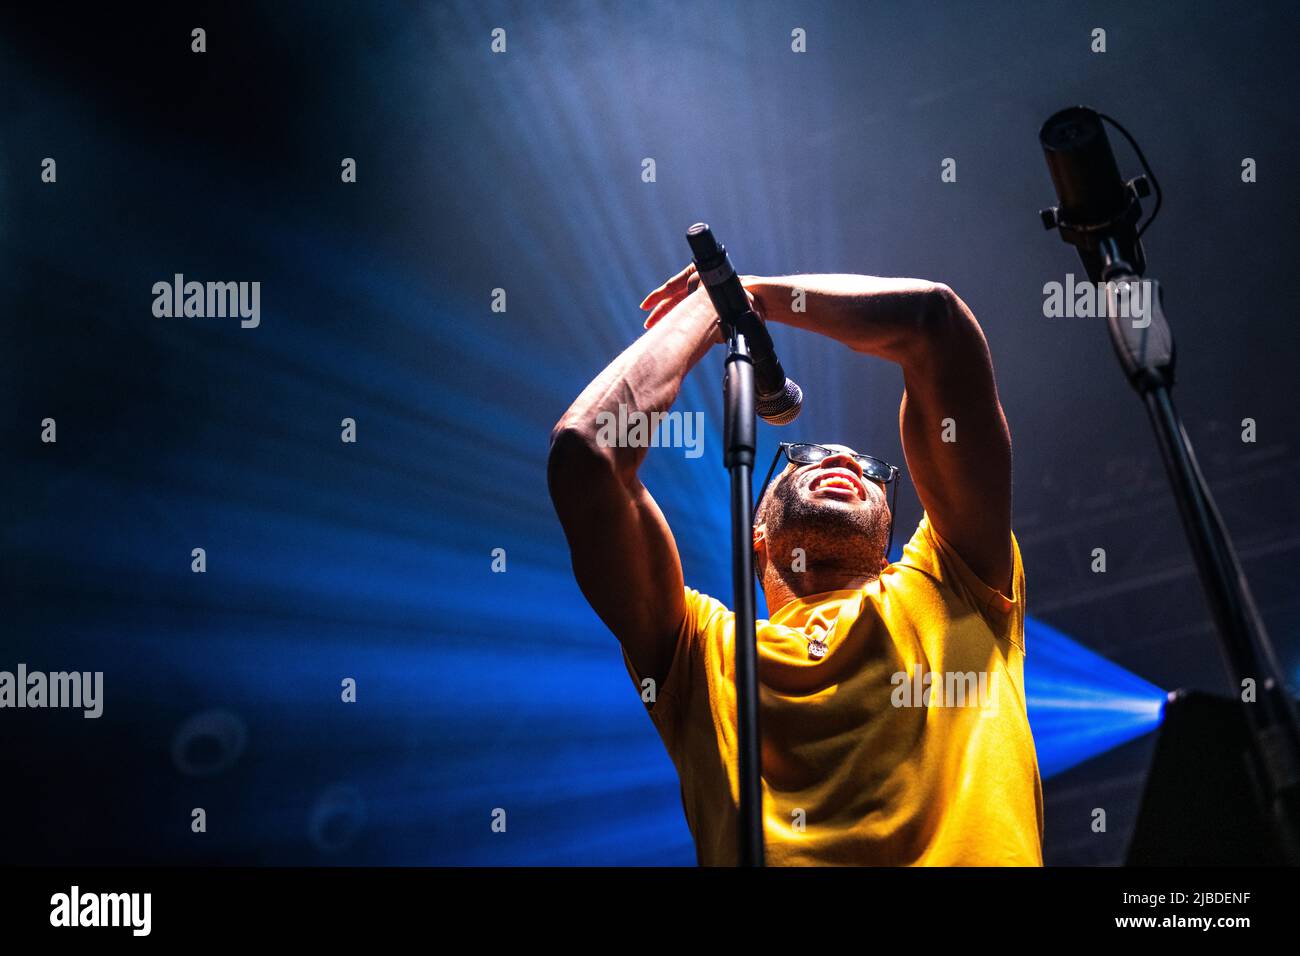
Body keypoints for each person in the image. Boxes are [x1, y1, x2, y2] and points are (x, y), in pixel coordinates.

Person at [547, 264, 1043, 865]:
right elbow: (588, 455)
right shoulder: (699, 653)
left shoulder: (953, 583)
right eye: (804, 456)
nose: (844, 460)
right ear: (757, 532)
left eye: (868, 467)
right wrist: (707, 310)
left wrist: (757, 293)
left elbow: (935, 323)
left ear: (889, 529)